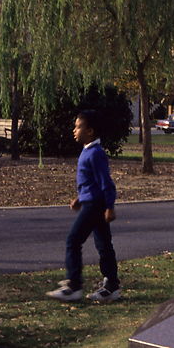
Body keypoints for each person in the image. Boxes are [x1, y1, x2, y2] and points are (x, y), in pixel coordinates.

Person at [46, 110, 121, 302]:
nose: (74, 130)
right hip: (90, 202)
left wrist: (109, 207)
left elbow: (106, 183)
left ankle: (74, 285)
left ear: (90, 131)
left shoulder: (95, 154)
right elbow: (92, 183)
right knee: (104, 245)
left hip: (95, 206)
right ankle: (111, 286)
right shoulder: (88, 151)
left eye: (78, 127)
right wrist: (80, 198)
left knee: (73, 241)